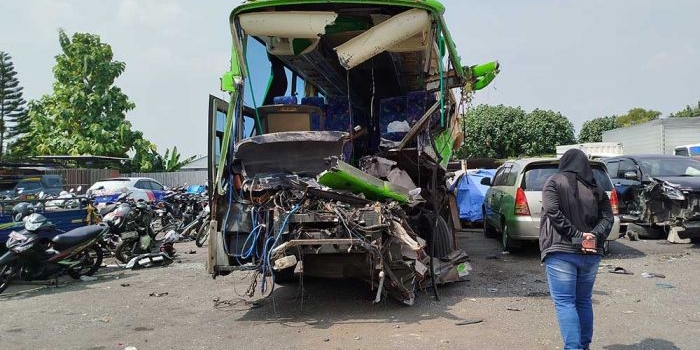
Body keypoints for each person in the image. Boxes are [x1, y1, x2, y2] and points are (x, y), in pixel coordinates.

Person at [539, 148, 614, 350]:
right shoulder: (596, 187)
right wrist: (592, 236)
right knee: (583, 301)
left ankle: (573, 348)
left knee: (565, 302)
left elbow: (553, 212)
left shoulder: (554, 182)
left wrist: (577, 236)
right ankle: (584, 345)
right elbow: (608, 217)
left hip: (562, 251)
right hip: (590, 254)